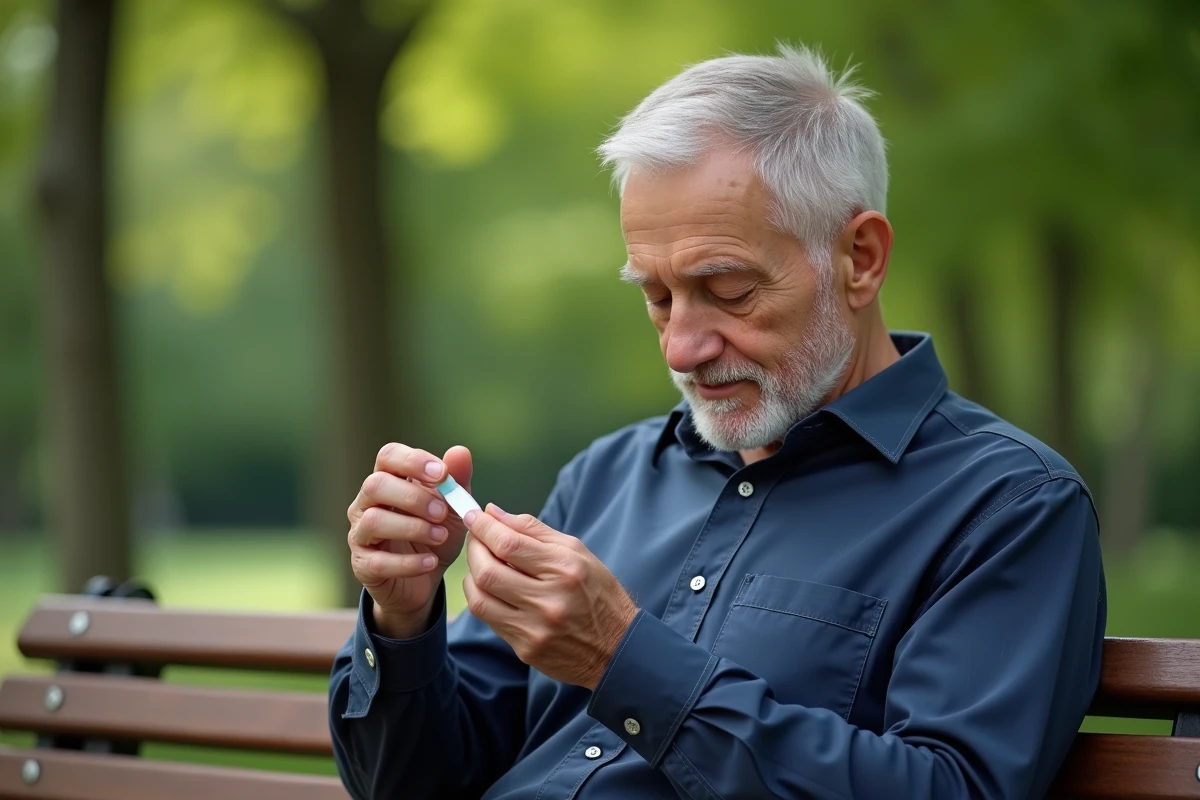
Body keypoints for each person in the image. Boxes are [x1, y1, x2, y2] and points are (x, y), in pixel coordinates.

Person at [329, 44, 1106, 799]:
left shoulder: (1006, 507)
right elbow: (408, 784)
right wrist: (403, 618)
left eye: (729, 290)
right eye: (657, 297)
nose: (681, 346)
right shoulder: (609, 475)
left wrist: (622, 659)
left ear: (861, 258)